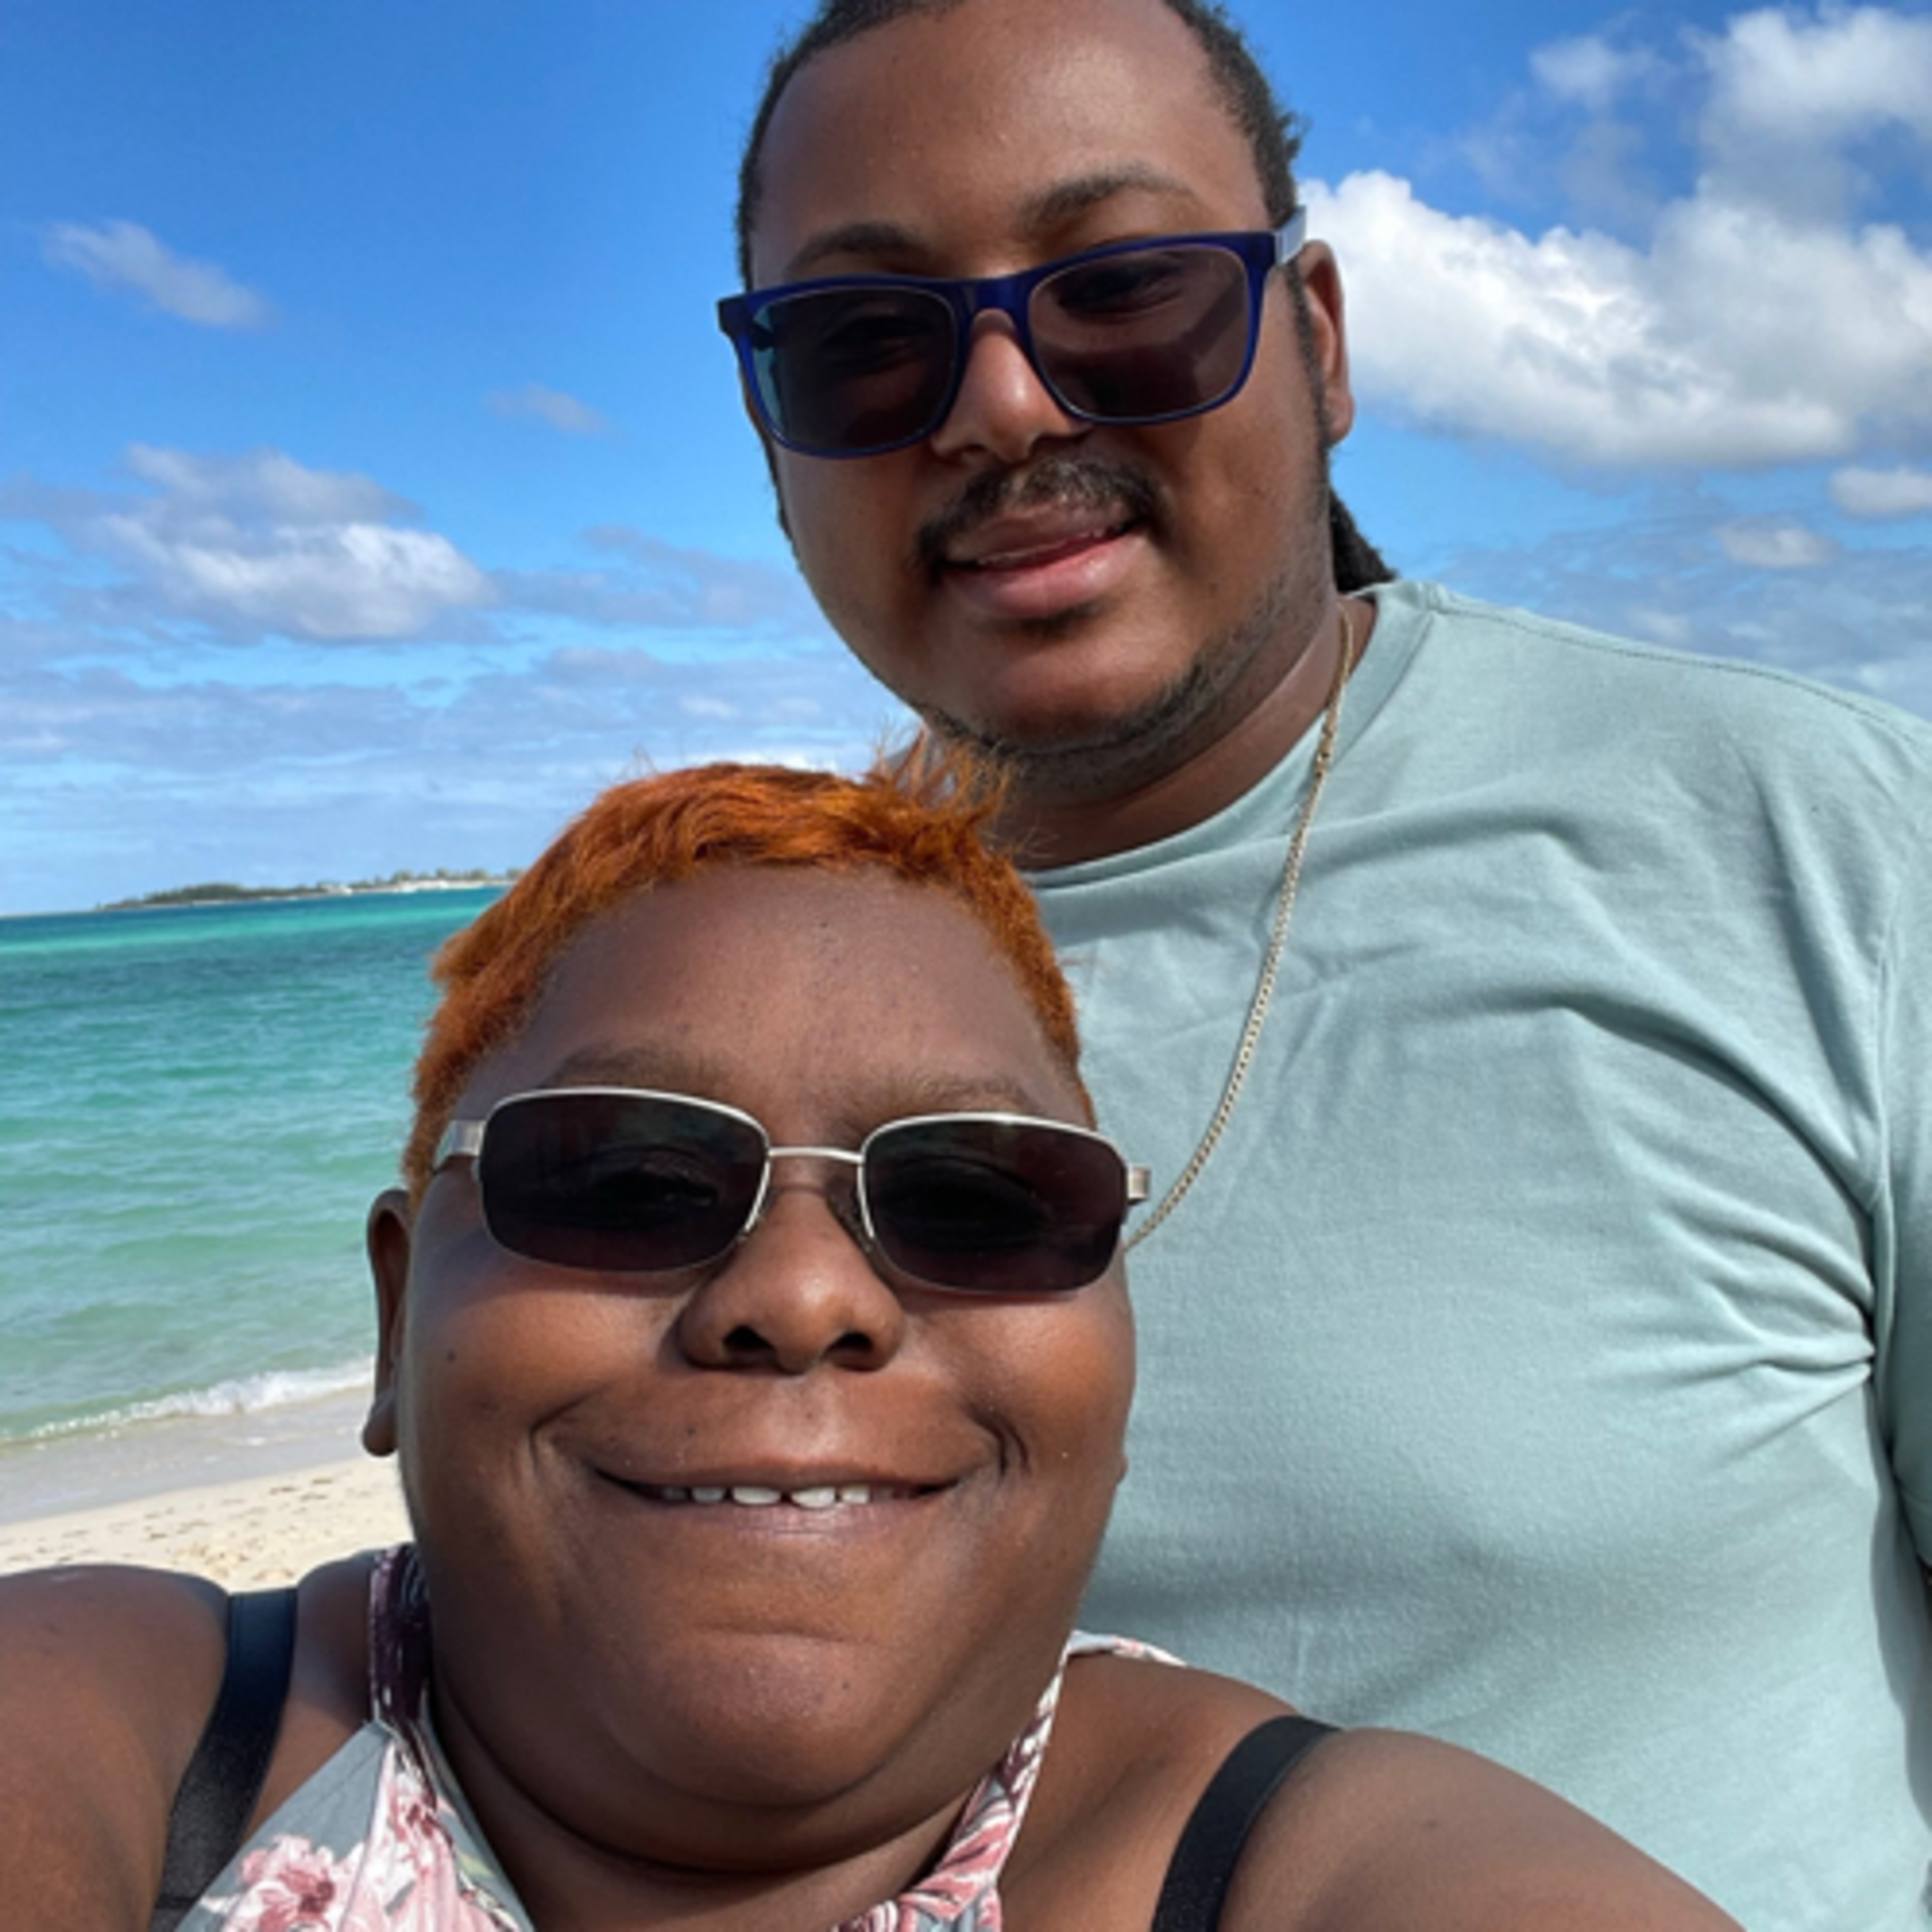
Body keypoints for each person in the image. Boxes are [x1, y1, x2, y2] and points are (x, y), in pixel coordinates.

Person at [717, 3, 1932, 1927]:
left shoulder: (1814, 836)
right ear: (772, 436)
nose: (1005, 409)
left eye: (1126, 293)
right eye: (865, 339)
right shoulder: (719, 1002)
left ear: (1321, 342)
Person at [0, 759, 1738, 1932]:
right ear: (396, 1321)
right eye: (625, 1176)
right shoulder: (134, 1721)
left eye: (979, 1197)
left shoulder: (1324, 1868)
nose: (808, 1297)